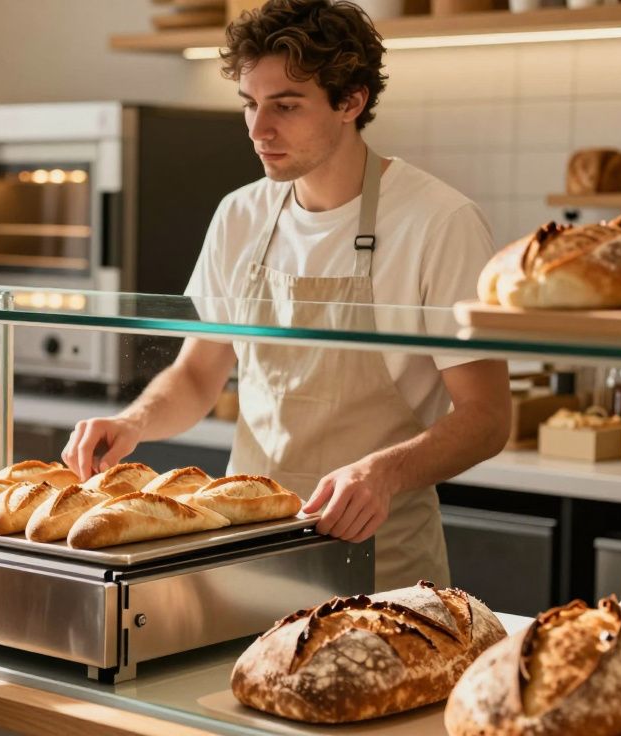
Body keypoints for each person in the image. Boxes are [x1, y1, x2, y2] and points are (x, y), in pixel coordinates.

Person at [62, 0, 511, 591]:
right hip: (248, 550)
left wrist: (383, 472)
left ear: (351, 102)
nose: (257, 129)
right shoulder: (239, 214)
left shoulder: (439, 220)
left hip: (382, 560)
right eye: (251, 104)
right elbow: (199, 376)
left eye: (286, 106)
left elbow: (487, 418)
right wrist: (132, 421)